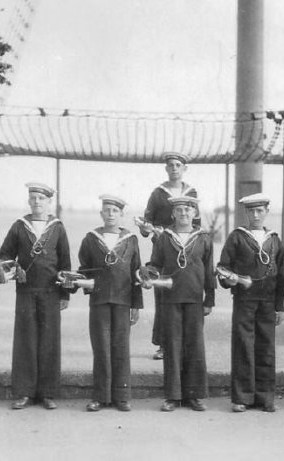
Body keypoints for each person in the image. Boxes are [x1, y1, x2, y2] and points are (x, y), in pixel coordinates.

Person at [0, 182, 71, 410]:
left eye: (41, 198)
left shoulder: (57, 227)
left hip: (51, 291)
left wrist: (65, 294)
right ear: (29, 201)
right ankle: (24, 392)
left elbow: (66, 261)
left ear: (49, 202)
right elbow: (5, 255)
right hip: (26, 291)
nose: (37, 202)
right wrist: (12, 270)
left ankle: (47, 393)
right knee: (25, 341)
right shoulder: (19, 226)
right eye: (33, 198)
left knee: (49, 341)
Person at [145, 196, 214, 412]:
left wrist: (209, 298)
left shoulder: (203, 238)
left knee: (194, 346)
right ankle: (173, 396)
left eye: (188, 210)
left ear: (195, 213)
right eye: (179, 210)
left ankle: (193, 395)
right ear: (173, 214)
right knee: (173, 346)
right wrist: (148, 274)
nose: (183, 214)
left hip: (195, 299)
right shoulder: (164, 238)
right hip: (171, 299)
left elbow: (209, 269)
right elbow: (155, 264)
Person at [218, 193, 284, 413]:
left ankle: (265, 397)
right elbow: (222, 267)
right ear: (246, 213)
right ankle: (242, 397)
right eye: (251, 211)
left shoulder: (274, 239)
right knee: (243, 346)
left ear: (267, 212)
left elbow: (281, 273)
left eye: (260, 211)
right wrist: (230, 280)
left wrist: (279, 305)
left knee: (266, 347)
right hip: (244, 301)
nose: (255, 215)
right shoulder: (237, 237)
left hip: (267, 301)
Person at [76, 195, 143, 412]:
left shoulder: (131, 239)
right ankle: (101, 397)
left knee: (121, 348)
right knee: (102, 348)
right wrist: (76, 281)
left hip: (123, 300)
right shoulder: (91, 238)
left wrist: (136, 305)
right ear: (101, 213)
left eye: (115, 211)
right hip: (99, 300)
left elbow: (137, 273)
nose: (111, 214)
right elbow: (84, 268)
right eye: (107, 210)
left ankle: (122, 396)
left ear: (121, 214)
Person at [137, 152, 199, 361]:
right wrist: (149, 229)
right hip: (163, 251)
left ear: (184, 169)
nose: (174, 168)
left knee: (186, 293)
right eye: (171, 165)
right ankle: (164, 345)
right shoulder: (157, 193)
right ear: (166, 168)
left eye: (178, 165)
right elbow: (146, 227)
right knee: (164, 295)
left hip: (185, 250)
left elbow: (196, 225)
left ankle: (185, 346)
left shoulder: (192, 192)